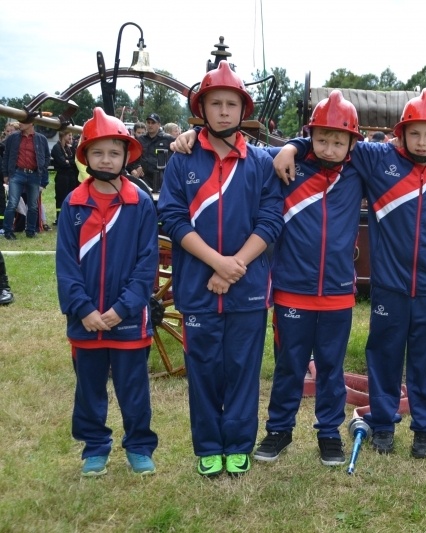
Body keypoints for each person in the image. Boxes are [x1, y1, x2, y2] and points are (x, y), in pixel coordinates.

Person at [273, 89, 426, 459]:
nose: (422, 142)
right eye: (415, 133)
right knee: (384, 355)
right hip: (390, 284)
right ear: (400, 132)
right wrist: (292, 146)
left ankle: (425, 429)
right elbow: (330, 139)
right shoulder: (377, 158)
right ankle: (382, 423)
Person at [158, 61, 284, 477]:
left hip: (247, 286)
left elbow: (270, 221)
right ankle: (209, 445)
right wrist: (218, 263)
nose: (225, 111)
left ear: (243, 110)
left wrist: (236, 265)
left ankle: (238, 444)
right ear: (203, 109)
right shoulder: (183, 157)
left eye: (232, 103)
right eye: (216, 103)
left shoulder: (262, 162)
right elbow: (173, 219)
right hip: (198, 284)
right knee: (204, 368)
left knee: (243, 369)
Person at [254, 90, 364, 467]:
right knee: (289, 365)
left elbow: (400, 155)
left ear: (352, 142)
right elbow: (244, 152)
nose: (330, 148)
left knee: (332, 368)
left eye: (338, 141)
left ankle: (329, 434)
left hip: (337, 292)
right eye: (321, 139)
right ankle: (278, 431)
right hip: (291, 290)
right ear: (310, 136)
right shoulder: (286, 165)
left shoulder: (359, 169)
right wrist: (291, 148)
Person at [55, 107, 159, 477]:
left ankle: (139, 446)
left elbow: (147, 264)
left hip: (128, 321)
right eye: (98, 152)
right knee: (89, 390)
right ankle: (95, 446)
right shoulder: (73, 205)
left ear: (126, 156)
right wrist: (83, 309)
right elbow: (66, 264)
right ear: (85, 156)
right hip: (85, 321)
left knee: (134, 390)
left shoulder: (140, 204)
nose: (106, 159)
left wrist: (124, 308)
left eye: (114, 152)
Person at [2, 119, 49, 239]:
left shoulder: (41, 139)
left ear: (31, 123)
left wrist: (42, 173)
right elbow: (6, 156)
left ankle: (31, 231)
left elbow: (46, 157)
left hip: (34, 175)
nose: (20, 124)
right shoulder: (12, 138)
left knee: (33, 205)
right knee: (12, 203)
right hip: (17, 173)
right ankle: (8, 231)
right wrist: (6, 175)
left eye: (23, 122)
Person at [128, 112, 174, 192]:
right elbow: (132, 157)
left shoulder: (168, 139)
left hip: (161, 179)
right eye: (148, 122)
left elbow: (175, 158)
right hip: (144, 179)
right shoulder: (140, 140)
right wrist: (136, 167)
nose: (150, 125)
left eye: (153, 123)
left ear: (159, 125)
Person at [51, 130, 80, 226]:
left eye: (71, 135)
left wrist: (69, 161)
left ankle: (70, 218)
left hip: (72, 176)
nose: (71, 137)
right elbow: (62, 163)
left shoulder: (70, 149)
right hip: (62, 177)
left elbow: (75, 161)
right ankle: (59, 218)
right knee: (61, 198)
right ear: (63, 135)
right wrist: (68, 162)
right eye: (69, 135)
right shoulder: (57, 148)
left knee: (71, 197)